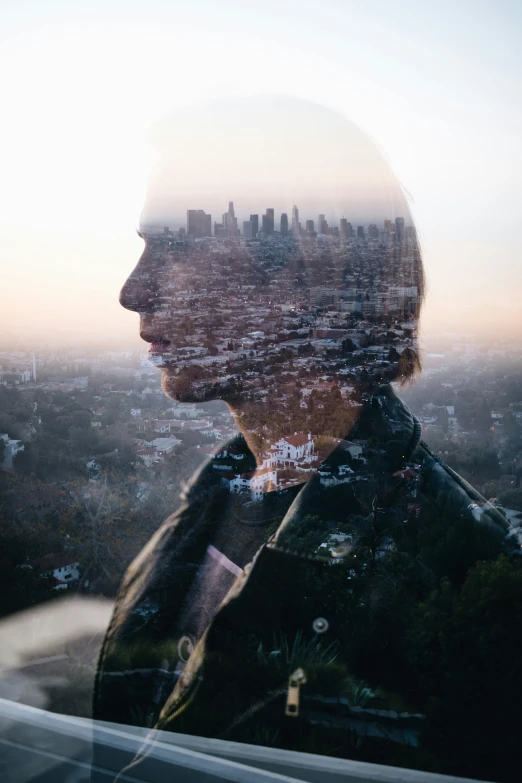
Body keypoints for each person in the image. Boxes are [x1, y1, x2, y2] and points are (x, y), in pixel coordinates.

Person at [93, 96, 513, 778]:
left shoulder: (464, 588)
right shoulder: (204, 509)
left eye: (175, 245)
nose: (132, 289)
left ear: (301, 273)